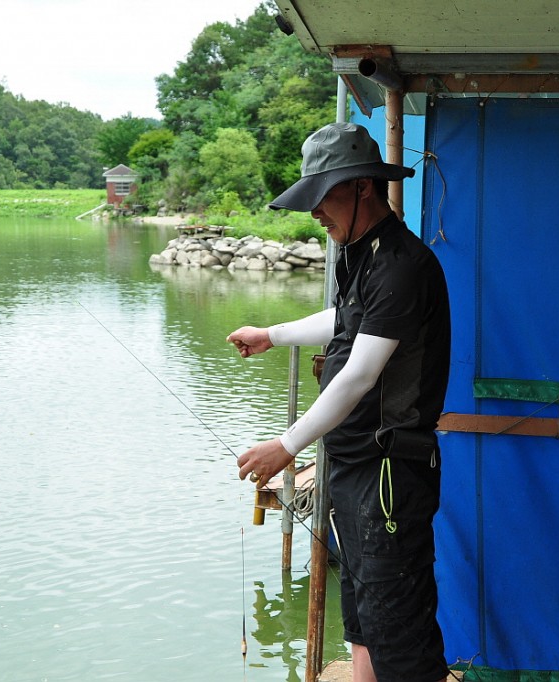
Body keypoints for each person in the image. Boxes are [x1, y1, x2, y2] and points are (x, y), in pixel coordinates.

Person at [226, 122, 451, 682]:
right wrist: (273, 334)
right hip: (353, 467)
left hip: (388, 473)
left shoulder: (402, 264)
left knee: (399, 629)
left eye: (323, 196)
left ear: (362, 187)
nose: (314, 213)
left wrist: (286, 445)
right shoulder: (360, 252)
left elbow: (358, 376)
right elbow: (347, 320)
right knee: (361, 616)